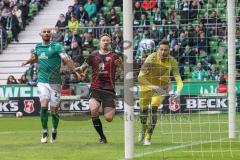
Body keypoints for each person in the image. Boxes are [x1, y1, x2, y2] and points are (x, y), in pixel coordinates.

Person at [21, 27, 74, 144]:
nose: (46, 33)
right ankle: (45, 131)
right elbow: (35, 57)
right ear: (40, 34)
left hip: (55, 82)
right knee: (44, 104)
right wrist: (27, 62)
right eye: (44, 32)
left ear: (51, 34)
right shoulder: (38, 47)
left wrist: (73, 68)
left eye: (48, 31)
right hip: (42, 81)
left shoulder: (57, 46)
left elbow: (65, 58)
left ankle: (54, 130)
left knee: (54, 110)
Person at [75, 33, 123, 144]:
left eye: (107, 40)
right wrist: (80, 70)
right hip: (95, 88)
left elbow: (123, 69)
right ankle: (102, 137)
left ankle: (106, 105)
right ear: (100, 42)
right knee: (94, 111)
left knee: (108, 118)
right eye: (103, 40)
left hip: (109, 89)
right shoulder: (93, 55)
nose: (105, 42)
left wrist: (121, 65)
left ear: (110, 42)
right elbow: (83, 67)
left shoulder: (114, 56)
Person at [138, 40, 183, 145]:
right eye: (161, 49)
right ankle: (143, 128)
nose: (163, 52)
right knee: (143, 113)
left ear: (169, 51)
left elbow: (179, 80)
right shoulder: (151, 58)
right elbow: (140, 77)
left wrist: (178, 91)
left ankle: (148, 137)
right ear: (158, 49)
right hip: (146, 88)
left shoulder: (172, 61)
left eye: (165, 50)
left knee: (153, 109)